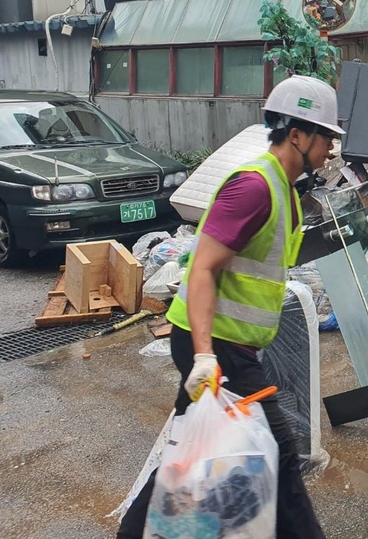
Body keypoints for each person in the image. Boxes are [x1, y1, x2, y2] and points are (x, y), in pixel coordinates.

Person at [117, 75, 337, 539]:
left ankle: (135, 530)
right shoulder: (254, 187)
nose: (331, 150)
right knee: (278, 448)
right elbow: (202, 270)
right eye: (326, 137)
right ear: (297, 134)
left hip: (231, 345)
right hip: (216, 345)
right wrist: (203, 355)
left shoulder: (283, 189)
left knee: (196, 445)